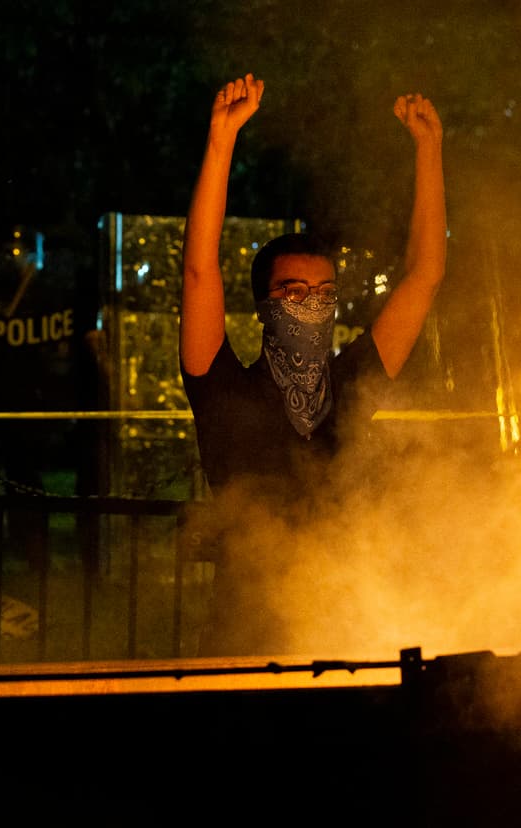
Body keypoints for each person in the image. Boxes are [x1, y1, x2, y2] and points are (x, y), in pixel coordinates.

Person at [179, 73, 446, 655]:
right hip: (244, 642)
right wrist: (222, 140)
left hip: (345, 630)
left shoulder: (350, 384)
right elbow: (200, 271)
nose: (312, 306)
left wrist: (429, 151)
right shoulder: (224, 390)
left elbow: (423, 278)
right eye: (294, 293)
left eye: (324, 294)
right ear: (264, 306)